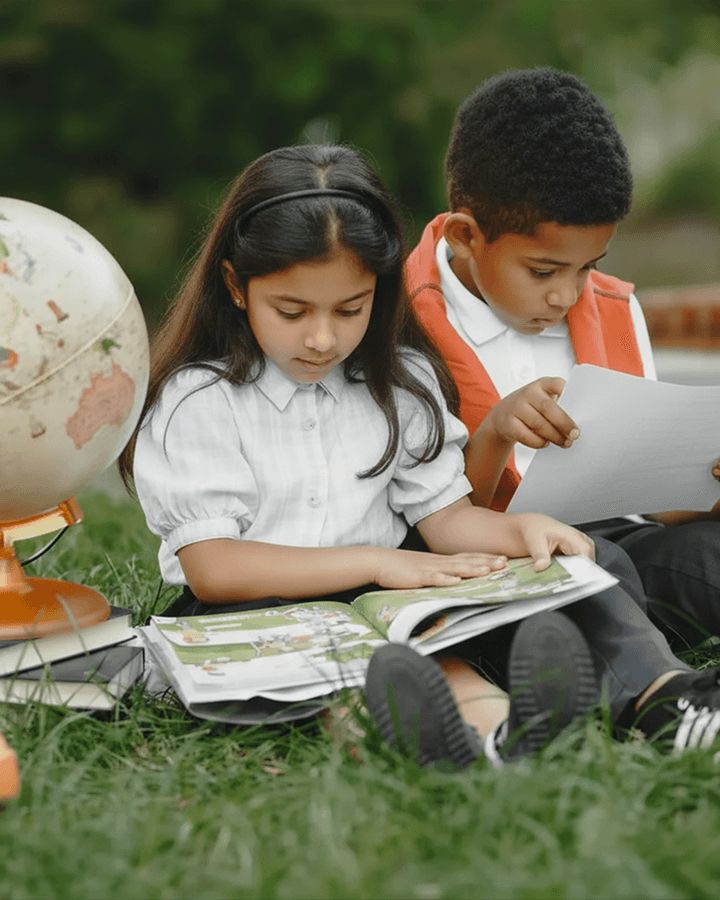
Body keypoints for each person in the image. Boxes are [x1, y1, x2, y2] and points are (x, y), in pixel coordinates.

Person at [118, 143, 708, 767]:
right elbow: (214, 567)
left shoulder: (400, 381)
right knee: (356, 670)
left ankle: (591, 717)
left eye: (351, 309)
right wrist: (378, 563)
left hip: (395, 600)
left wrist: (521, 530)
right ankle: (441, 741)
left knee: (567, 570)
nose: (323, 338)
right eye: (291, 311)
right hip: (258, 604)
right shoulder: (200, 399)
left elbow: (446, 520)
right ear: (237, 286)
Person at [406, 67, 720, 735]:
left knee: (705, 550)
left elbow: (652, 499)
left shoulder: (612, 307)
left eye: (589, 266)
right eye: (543, 272)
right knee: (588, 563)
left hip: (621, 548)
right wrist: (493, 434)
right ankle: (669, 701)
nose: (567, 295)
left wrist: (705, 480)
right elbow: (419, 522)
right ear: (465, 236)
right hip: (490, 572)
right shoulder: (394, 327)